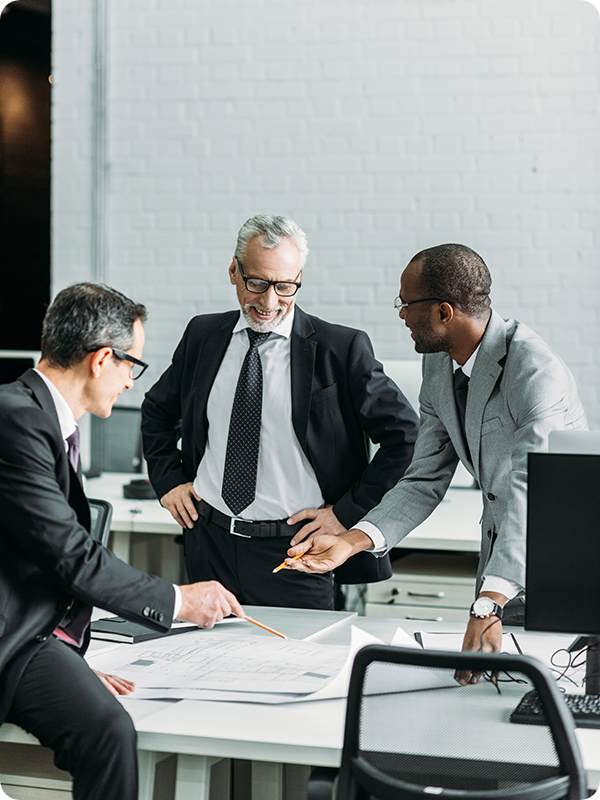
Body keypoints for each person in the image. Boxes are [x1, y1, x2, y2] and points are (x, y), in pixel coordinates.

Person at [283, 243, 587, 671]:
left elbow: (532, 492)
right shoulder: (439, 365)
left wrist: (487, 605)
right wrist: (349, 542)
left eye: (406, 304)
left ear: (444, 312)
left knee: (557, 698)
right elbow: (423, 478)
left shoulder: (534, 371)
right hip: (502, 561)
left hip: (565, 564)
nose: (402, 315)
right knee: (488, 692)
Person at [0, 283, 244, 800]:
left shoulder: (44, 418)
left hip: (34, 630)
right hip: (13, 637)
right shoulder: (16, 419)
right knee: (109, 733)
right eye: (132, 365)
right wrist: (179, 601)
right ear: (102, 359)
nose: (131, 383)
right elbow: (71, 556)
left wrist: (72, 653)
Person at [141, 214, 420, 610]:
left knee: (294, 667)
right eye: (257, 283)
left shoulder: (340, 348)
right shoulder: (204, 336)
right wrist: (168, 480)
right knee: (208, 666)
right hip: (209, 541)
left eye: (285, 286)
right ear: (234, 271)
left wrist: (346, 513)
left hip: (294, 552)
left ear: (299, 277)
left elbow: (406, 437)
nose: (269, 302)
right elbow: (157, 409)